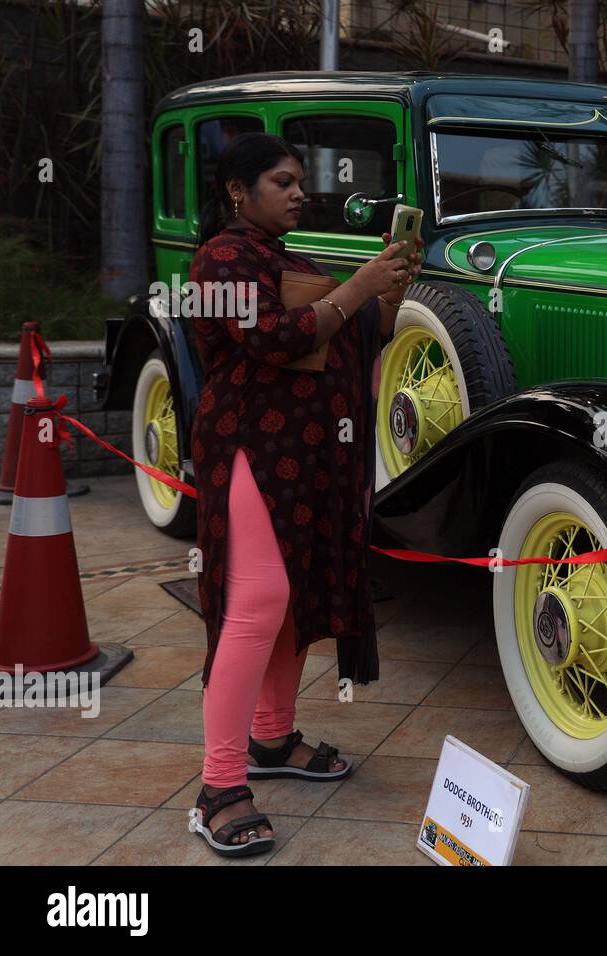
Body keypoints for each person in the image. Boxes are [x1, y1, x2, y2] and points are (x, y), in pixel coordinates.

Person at [186, 132, 423, 857]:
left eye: (299, 183)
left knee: (288, 598)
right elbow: (272, 337)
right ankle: (219, 786)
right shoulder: (221, 258)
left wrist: (393, 284)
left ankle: (270, 737)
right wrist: (355, 287)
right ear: (239, 189)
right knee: (256, 603)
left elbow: (359, 335)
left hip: (310, 456)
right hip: (251, 451)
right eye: (283, 182)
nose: (298, 193)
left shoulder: (288, 260)